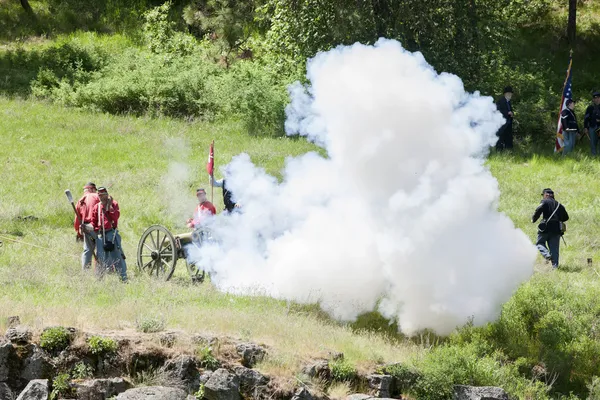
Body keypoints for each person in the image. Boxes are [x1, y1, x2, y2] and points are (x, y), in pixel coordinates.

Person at [91, 187, 127, 281]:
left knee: (118, 256)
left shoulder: (114, 204)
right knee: (100, 258)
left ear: (107, 195)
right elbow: (93, 222)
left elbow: (115, 217)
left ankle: (123, 277)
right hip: (100, 235)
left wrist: (109, 207)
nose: (101, 197)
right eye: (99, 195)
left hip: (112, 233)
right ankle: (99, 279)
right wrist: (88, 228)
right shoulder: (97, 207)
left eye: (102, 195)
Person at [531, 188, 569, 269]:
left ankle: (547, 255)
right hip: (556, 230)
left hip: (545, 227)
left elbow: (538, 210)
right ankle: (555, 267)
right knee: (554, 249)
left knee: (539, 243)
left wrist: (533, 219)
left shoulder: (544, 202)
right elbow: (566, 217)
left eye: (543, 195)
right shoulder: (559, 205)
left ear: (546, 195)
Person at [74, 182, 100, 270]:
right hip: (97, 226)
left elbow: (77, 219)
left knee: (87, 250)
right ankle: (99, 271)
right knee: (100, 249)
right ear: (92, 189)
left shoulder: (81, 200)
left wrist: (78, 232)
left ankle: (85, 272)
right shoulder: (97, 196)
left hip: (86, 227)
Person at [495, 86, 515, 151]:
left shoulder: (509, 102)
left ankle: (508, 152)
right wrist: (507, 113)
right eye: (508, 93)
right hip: (502, 123)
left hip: (508, 123)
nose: (510, 95)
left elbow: (510, 110)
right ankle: (499, 152)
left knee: (508, 138)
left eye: (511, 93)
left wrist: (512, 113)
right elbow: (497, 111)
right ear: (505, 94)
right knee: (501, 138)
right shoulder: (500, 101)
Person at [584, 91, 600, 155]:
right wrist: (585, 127)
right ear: (593, 99)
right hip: (592, 126)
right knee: (593, 142)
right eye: (595, 98)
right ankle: (593, 155)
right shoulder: (590, 108)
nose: (596, 99)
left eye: (598, 98)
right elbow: (586, 118)